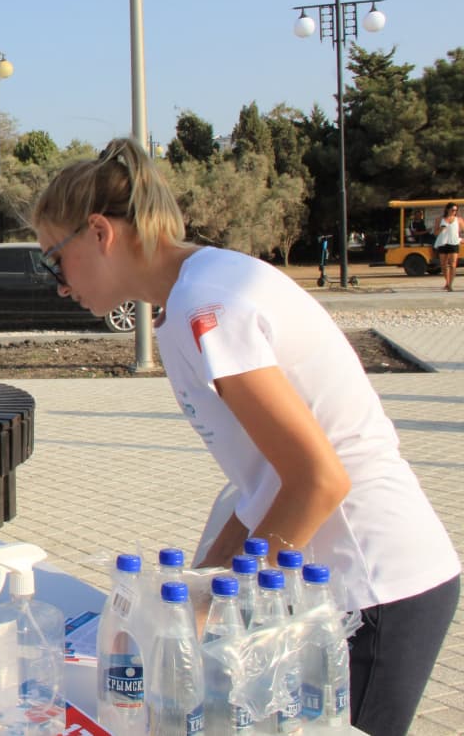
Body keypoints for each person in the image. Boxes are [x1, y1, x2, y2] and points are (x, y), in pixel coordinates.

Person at [30, 138, 459, 736]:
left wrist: (215, 605)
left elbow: (319, 480)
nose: (59, 285)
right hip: (340, 584)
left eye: (53, 261)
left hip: (375, 582)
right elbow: (260, 482)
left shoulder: (207, 305)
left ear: (100, 232)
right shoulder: (192, 294)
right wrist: (189, 599)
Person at [432, 201, 460, 291]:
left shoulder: (458, 220)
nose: (454, 212)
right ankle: (447, 283)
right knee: (443, 265)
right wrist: (441, 229)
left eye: (455, 210)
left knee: (453, 264)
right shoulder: (439, 219)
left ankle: (450, 285)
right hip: (442, 243)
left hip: (454, 243)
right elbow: (435, 233)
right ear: (447, 209)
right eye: (452, 210)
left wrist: (461, 239)